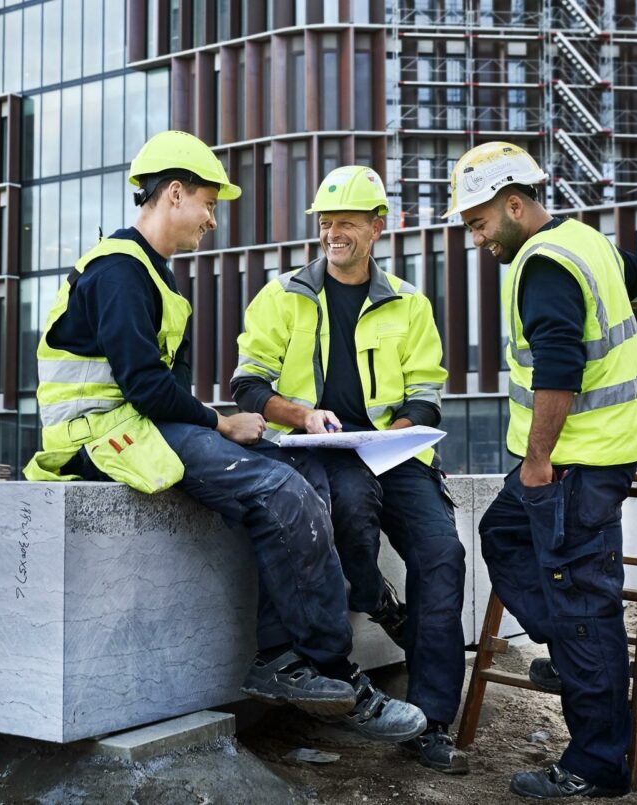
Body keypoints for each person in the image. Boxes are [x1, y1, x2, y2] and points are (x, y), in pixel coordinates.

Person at [22, 131, 424, 744]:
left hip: (138, 424)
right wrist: (223, 422)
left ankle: (283, 657)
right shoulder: (119, 270)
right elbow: (145, 386)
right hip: (98, 436)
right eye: (209, 204)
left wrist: (229, 427)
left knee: (302, 478)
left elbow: (161, 391)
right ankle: (330, 672)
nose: (212, 219)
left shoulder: (154, 275)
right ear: (175, 193)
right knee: (281, 491)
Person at [232, 165, 468, 773]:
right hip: (317, 453)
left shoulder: (409, 304)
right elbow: (248, 384)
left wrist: (387, 436)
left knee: (443, 557)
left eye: (348, 223)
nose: (334, 233)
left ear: (377, 228)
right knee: (351, 506)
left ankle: (432, 721)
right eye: (326, 222)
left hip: (396, 456)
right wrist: (302, 414)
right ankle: (370, 594)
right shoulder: (282, 295)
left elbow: (425, 392)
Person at [442, 142, 637, 798]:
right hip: (595, 450)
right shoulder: (583, 240)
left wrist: (537, 461)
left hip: (573, 463)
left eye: (478, 223)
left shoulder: (544, 265)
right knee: (503, 533)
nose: (475, 238)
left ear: (513, 204)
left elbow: (561, 366)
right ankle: (569, 653)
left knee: (584, 605)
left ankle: (595, 763)